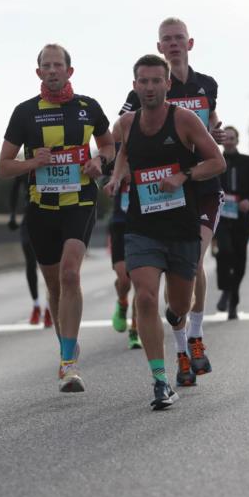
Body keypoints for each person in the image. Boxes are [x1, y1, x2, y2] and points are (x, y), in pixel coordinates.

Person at [108, 54, 225, 408]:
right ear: (135, 86)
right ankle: (159, 381)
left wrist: (184, 176)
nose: (149, 87)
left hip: (181, 226)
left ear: (167, 85)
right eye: (143, 81)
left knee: (178, 306)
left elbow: (216, 160)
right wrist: (115, 176)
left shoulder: (185, 120)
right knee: (144, 296)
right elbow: (123, 155)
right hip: (142, 225)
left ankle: (182, 335)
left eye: (156, 81)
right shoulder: (125, 124)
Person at [0, 44, 114, 393]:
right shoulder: (25, 113)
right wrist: (33, 163)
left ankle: (69, 363)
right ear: (38, 73)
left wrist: (100, 162)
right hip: (41, 208)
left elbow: (109, 147)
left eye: (57, 65)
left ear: (69, 71)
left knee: (69, 273)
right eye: (45, 66)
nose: (52, 71)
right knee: (53, 285)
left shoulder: (88, 108)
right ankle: (66, 344)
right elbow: (4, 166)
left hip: (79, 200)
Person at [215, 126, 249, 319]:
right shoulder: (214, 160)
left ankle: (233, 300)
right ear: (221, 140)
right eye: (225, 137)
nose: (228, 140)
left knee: (239, 259)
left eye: (232, 137)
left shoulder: (248, 162)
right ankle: (226, 289)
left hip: (242, 217)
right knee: (224, 252)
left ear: (237, 140)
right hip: (221, 215)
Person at [109, 120, 141, 349]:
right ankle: (122, 302)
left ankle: (135, 330)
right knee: (124, 278)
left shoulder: (147, 155)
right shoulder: (117, 159)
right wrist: (117, 178)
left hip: (142, 226)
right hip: (120, 225)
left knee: (141, 282)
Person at [8, 175, 52, 327]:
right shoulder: (27, 163)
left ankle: (49, 308)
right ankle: (35, 305)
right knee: (30, 263)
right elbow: (15, 188)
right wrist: (12, 214)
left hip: (52, 215)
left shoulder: (54, 157)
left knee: (51, 264)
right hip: (30, 217)